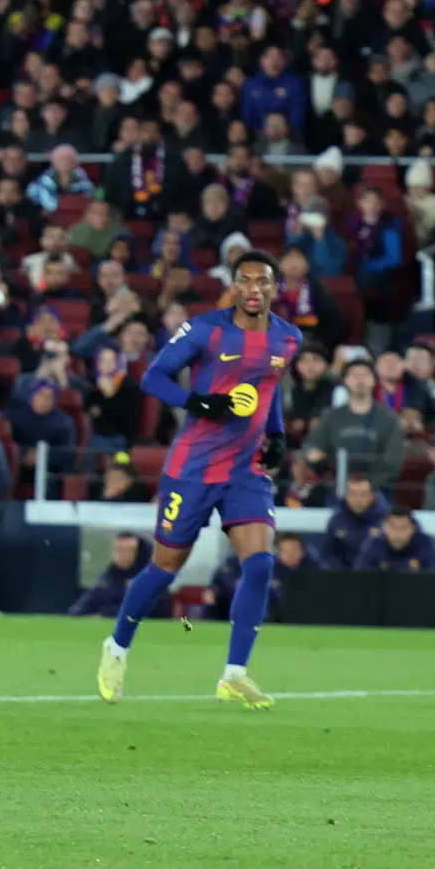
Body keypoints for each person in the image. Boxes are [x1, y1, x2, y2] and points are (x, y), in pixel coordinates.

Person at [97, 250, 302, 709]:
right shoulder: (206, 329)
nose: (254, 289)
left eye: (262, 281)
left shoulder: (288, 339)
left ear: (274, 288)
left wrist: (278, 434)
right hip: (192, 469)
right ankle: (116, 647)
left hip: (246, 470)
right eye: (245, 281)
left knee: (260, 564)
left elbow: (269, 391)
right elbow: (154, 377)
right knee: (164, 568)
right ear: (233, 286)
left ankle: (235, 674)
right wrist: (198, 402)